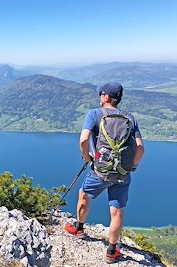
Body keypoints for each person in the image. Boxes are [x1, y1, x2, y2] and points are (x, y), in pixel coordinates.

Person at [64, 82, 145, 264]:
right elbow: (140, 148)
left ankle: (79, 228)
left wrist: (86, 157)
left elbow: (84, 139)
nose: (100, 97)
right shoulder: (129, 118)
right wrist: (131, 166)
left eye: (101, 94)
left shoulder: (95, 114)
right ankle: (111, 251)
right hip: (122, 174)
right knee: (116, 211)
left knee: (84, 195)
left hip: (100, 171)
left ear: (106, 97)